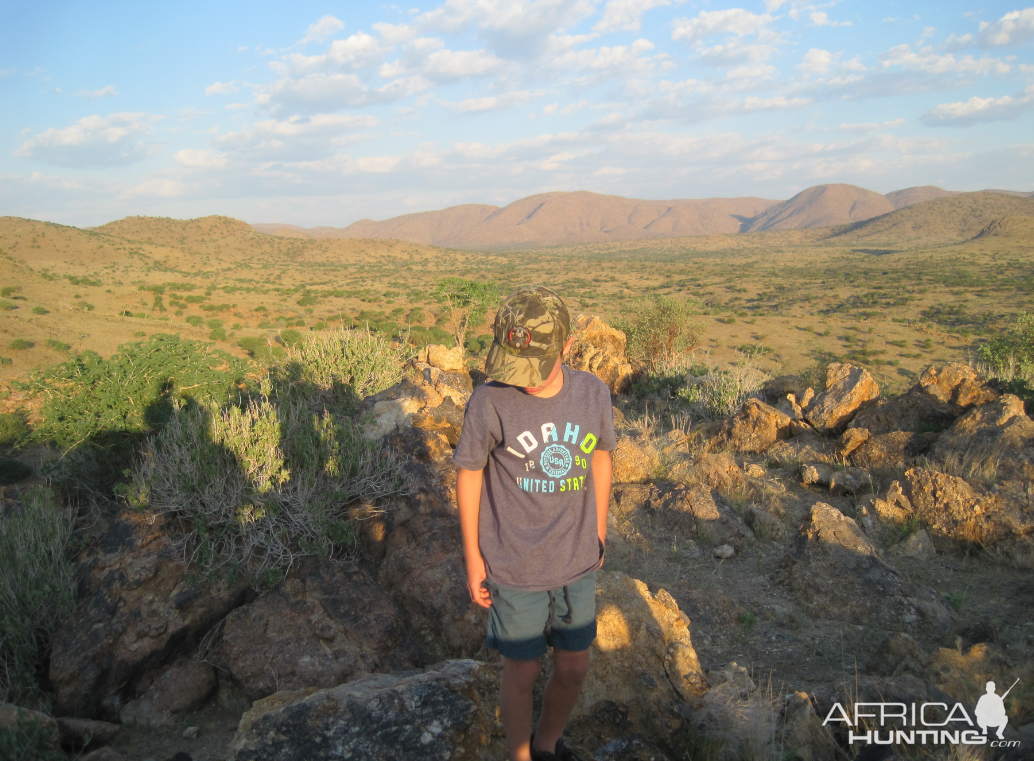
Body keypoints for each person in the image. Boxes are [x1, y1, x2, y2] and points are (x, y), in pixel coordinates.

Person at [453, 285, 615, 761]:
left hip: (575, 559)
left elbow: (602, 458)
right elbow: (469, 474)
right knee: (521, 672)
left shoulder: (592, 394)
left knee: (574, 666)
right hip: (514, 563)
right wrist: (473, 558)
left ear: (567, 346)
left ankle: (547, 746)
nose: (523, 380)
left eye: (534, 369)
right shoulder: (489, 400)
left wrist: (599, 529)